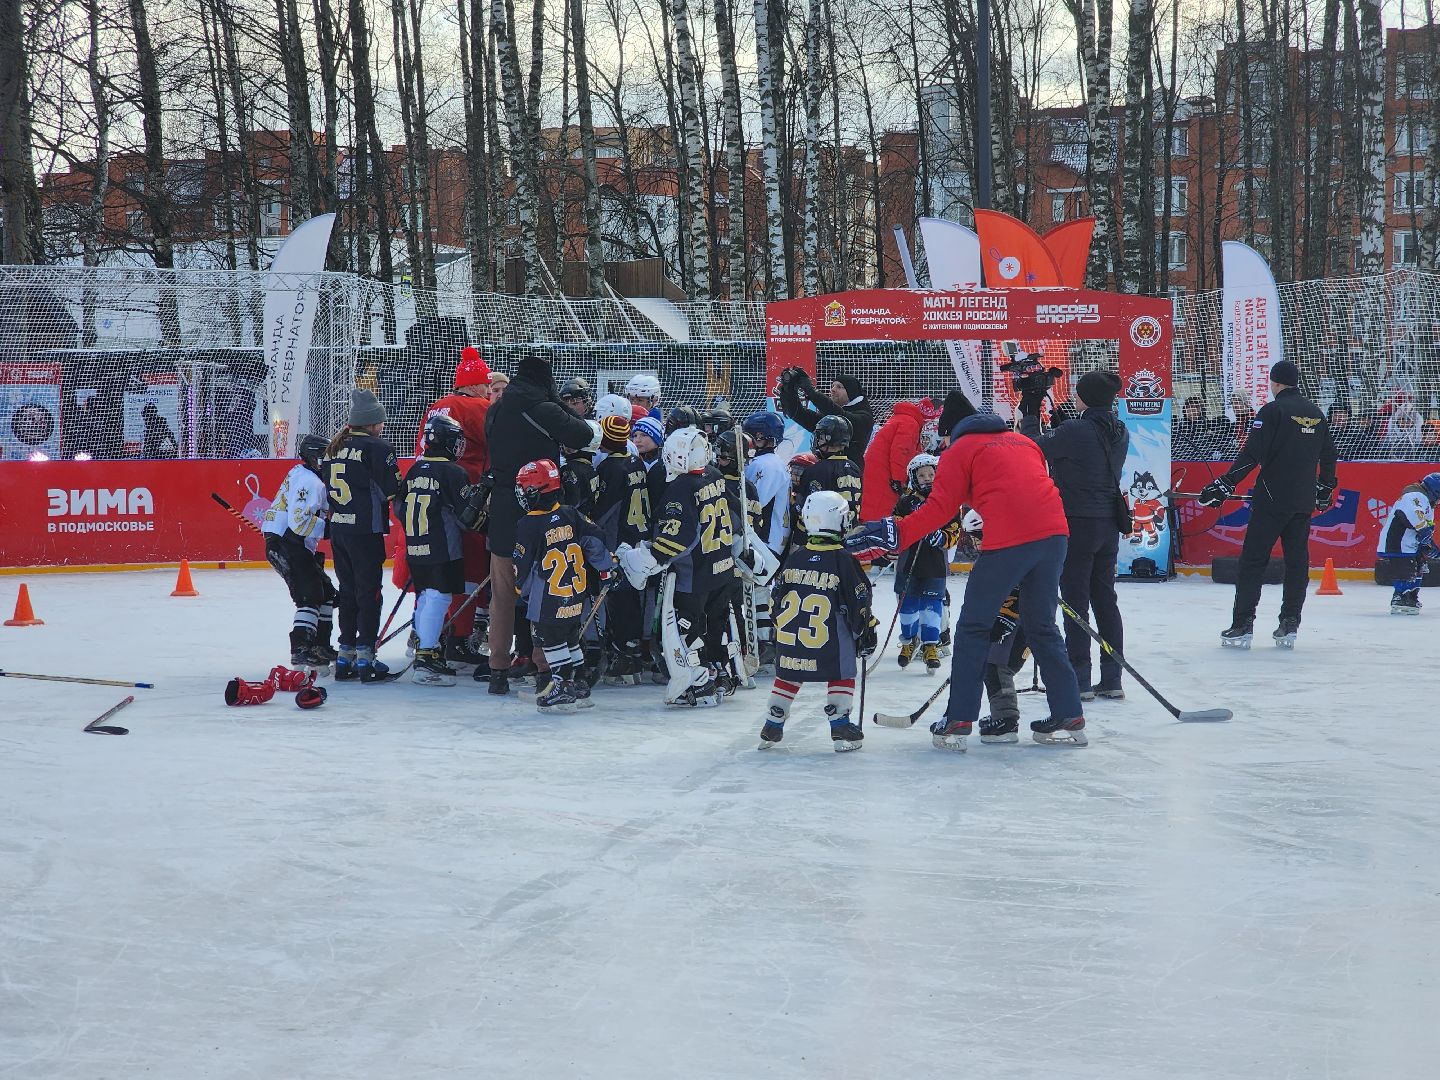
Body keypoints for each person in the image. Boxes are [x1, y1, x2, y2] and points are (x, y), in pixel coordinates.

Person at [845, 391, 1087, 751]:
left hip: (1009, 540)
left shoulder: (961, 449)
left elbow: (941, 508)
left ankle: (959, 716)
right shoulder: (1022, 441)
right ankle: (1069, 711)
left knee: (974, 626)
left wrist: (897, 532)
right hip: (1055, 536)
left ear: (951, 430)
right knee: (1042, 627)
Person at [1200, 360, 1339, 649]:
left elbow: (1252, 453)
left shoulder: (1272, 410)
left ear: (1275, 383)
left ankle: (1242, 625)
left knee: (1253, 561)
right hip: (1302, 501)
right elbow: (1329, 455)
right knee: (1297, 563)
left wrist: (1225, 484)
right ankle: (1290, 623)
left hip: (1272, 498)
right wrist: (1325, 488)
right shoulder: (1315, 413)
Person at [483, 355, 596, 695]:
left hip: (502, 509)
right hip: (542, 509)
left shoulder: (496, 409)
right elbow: (583, 432)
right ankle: (545, 668)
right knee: (546, 593)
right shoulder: (543, 408)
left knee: (501, 595)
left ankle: (497, 671)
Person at [1019, 368, 1128, 701]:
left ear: (1085, 397)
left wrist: (1029, 410)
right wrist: (1064, 422)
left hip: (1076, 521)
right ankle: (1112, 678)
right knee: (1105, 599)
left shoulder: (1077, 429)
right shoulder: (1118, 428)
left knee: (1075, 601)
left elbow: (1031, 448)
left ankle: (1079, 677)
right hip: (1108, 522)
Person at [617, 427, 737, 707]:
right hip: (721, 567)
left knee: (686, 629)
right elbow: (734, 517)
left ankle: (699, 682)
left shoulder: (680, 489)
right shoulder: (715, 476)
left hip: (693, 575)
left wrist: (646, 559)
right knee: (715, 625)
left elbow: (676, 539)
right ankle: (719, 672)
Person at [759, 491, 876, 752]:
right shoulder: (844, 560)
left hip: (791, 640)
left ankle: (773, 722)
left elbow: (776, 599)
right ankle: (840, 724)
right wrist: (867, 630)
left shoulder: (796, 556)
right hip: (827, 642)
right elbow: (860, 602)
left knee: (789, 675)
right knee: (842, 672)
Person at [512, 458, 615, 712]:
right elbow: (596, 540)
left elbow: (521, 567)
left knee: (552, 641)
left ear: (534, 492)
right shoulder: (571, 513)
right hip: (575, 594)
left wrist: (520, 590)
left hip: (548, 597)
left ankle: (562, 686)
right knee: (570, 639)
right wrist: (607, 566)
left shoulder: (527, 524)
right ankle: (579, 683)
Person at [415, 346, 493, 674]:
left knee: (433, 577)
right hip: (466, 495)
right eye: (486, 383)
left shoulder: (436, 406)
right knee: (469, 571)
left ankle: (432, 636)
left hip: (429, 501)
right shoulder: (477, 407)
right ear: (473, 384)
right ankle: (459, 638)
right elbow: (498, 441)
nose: (489, 389)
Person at [324, 389, 405, 682]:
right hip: (365, 530)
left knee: (347, 591)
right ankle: (366, 657)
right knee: (369, 593)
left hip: (339, 530)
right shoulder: (377, 448)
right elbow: (393, 490)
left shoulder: (332, 449)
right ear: (372, 423)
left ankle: (345, 655)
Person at [402, 415, 475, 685]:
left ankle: (424, 647)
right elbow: (466, 515)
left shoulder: (415, 469)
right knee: (438, 598)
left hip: (416, 545)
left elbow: (400, 508)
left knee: (425, 596)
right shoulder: (453, 473)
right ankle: (427, 657)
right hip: (442, 547)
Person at [261, 433, 337, 668]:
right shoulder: (310, 482)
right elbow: (299, 522)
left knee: (327, 594)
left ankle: (320, 645)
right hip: (289, 544)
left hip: (288, 543)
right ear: (315, 457)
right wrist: (331, 529)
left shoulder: (301, 473)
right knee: (309, 596)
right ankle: (302, 649)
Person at [593, 414, 651, 683]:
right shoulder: (635, 461)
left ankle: (625, 657)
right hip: (639, 537)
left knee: (620, 597)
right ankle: (634, 652)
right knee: (632, 598)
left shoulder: (609, 469)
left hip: (621, 542)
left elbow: (605, 511)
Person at [891, 453, 961, 675]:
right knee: (908, 606)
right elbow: (895, 526)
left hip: (934, 566)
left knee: (932, 607)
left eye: (932, 474)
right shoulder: (905, 502)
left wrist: (940, 537)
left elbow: (955, 532)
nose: (927, 478)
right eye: (922, 475)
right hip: (908, 563)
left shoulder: (946, 502)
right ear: (913, 477)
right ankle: (908, 641)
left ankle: (931, 645)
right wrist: (912, 528)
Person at [776, 367, 875, 465]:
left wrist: (811, 391)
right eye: (832, 386)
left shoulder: (864, 417)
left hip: (849, 476)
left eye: (839, 387)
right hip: (826, 471)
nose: (833, 390)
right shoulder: (832, 416)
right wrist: (789, 392)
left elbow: (841, 417)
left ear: (852, 392)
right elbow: (800, 414)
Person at [792, 414, 863, 546]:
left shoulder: (817, 470)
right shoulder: (854, 468)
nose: (818, 440)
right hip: (851, 537)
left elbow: (808, 511)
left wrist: (798, 542)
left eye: (821, 436)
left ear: (830, 438)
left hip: (826, 540)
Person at [1377, 472, 1440, 614]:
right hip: (1398, 542)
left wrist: (1428, 543)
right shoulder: (1415, 496)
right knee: (1405, 569)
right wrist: (1425, 534)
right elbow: (1414, 516)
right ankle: (1400, 597)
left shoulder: (1426, 501)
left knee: (1418, 566)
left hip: (1411, 543)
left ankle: (1411, 596)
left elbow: (1426, 524)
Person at [861, 397, 928, 521]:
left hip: (877, 469)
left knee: (870, 504)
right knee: (880, 509)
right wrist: (898, 479)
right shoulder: (910, 424)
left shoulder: (901, 419)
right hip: (886, 473)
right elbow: (900, 452)